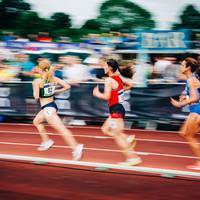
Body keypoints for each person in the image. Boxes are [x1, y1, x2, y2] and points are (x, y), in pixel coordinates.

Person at [93, 59, 142, 166]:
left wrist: (97, 94)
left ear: (110, 67)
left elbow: (107, 96)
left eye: (104, 66)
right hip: (117, 109)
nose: (103, 68)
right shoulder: (118, 78)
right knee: (105, 129)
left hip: (116, 110)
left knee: (116, 135)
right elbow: (130, 85)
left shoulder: (108, 80)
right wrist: (119, 92)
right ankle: (127, 138)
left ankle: (133, 158)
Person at [32, 61, 83, 161]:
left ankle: (76, 147)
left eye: (38, 68)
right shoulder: (54, 79)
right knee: (36, 121)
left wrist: (42, 92)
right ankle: (46, 141)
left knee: (62, 129)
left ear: (40, 69)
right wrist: (55, 91)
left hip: (48, 109)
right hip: (51, 106)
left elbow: (36, 97)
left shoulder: (37, 81)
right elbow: (67, 86)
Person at [171, 57, 200, 170]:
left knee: (189, 135)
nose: (180, 67)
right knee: (184, 133)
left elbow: (195, 97)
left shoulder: (191, 80)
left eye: (182, 65)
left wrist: (180, 104)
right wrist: (185, 97)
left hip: (197, 110)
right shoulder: (193, 79)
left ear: (188, 67)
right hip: (196, 110)